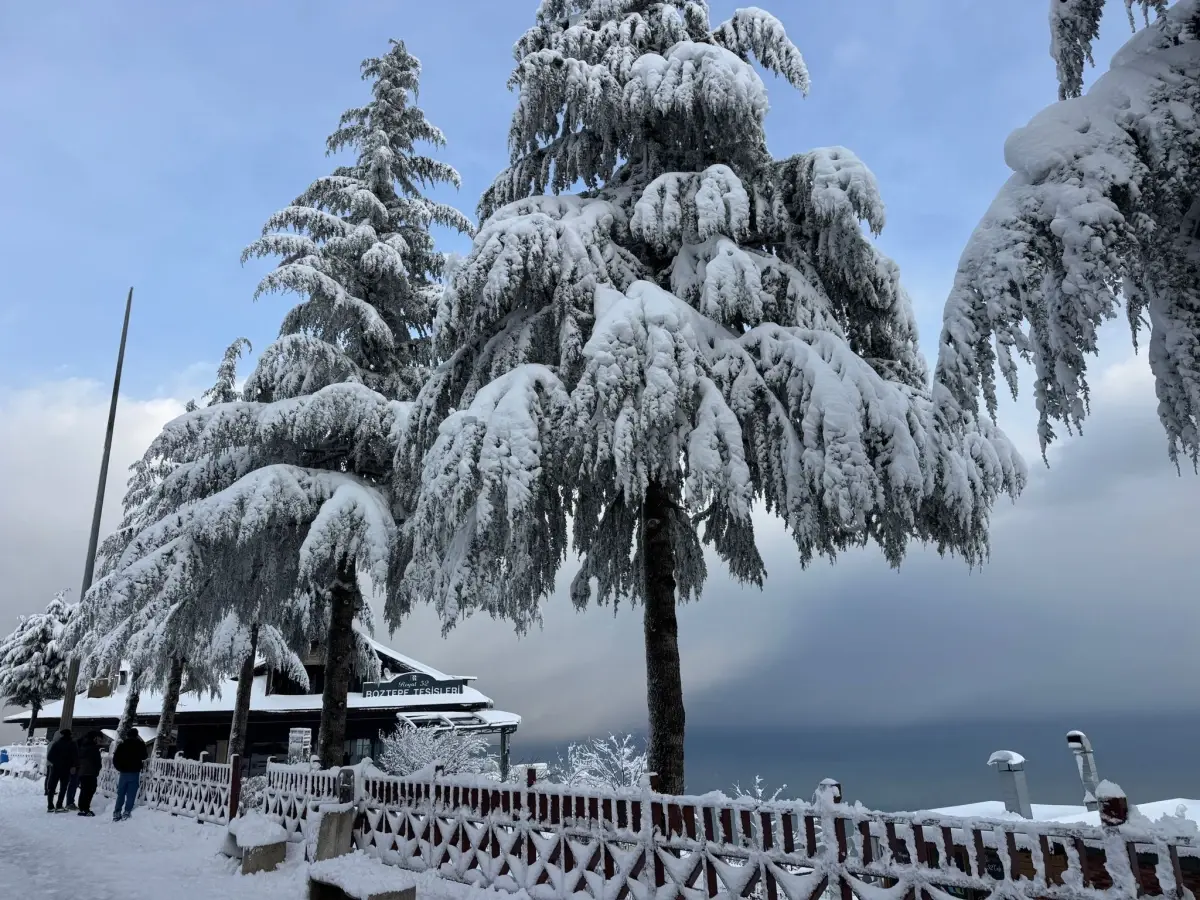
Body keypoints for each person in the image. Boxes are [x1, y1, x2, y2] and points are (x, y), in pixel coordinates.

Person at [111, 729, 147, 822]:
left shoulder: (122, 745)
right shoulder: (139, 745)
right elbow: (144, 756)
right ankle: (127, 811)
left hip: (123, 772)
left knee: (121, 793)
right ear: (136, 735)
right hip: (134, 772)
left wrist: (119, 767)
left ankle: (117, 812)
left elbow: (115, 758)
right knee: (131, 794)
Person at [44, 729, 78, 813]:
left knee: (52, 787)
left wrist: (57, 762)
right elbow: (75, 757)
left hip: (55, 768)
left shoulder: (56, 744)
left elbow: (49, 757)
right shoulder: (73, 744)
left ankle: (50, 806)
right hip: (66, 769)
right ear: (70, 735)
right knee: (63, 788)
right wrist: (73, 766)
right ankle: (59, 805)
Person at [75, 732, 104, 817]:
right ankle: (85, 808)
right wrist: (97, 769)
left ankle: (82, 807)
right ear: (95, 738)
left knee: (84, 789)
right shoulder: (93, 747)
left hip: (82, 770)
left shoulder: (82, 745)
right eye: (99, 738)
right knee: (90, 789)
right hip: (90, 771)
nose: (100, 741)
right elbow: (96, 761)